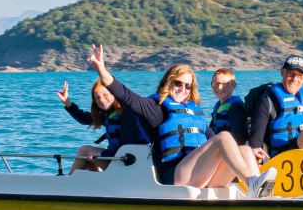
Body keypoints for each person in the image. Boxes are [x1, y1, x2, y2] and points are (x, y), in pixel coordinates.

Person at [86, 44, 276, 196]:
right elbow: (127, 96)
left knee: (242, 148)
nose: (183, 89)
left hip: (202, 174)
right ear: (169, 82)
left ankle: (258, 193)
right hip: (176, 174)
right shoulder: (155, 108)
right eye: (178, 84)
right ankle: (252, 183)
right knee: (225, 137)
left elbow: (212, 141)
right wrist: (102, 71)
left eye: (188, 86)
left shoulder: (194, 110)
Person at [57, 78, 145, 174]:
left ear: (114, 93)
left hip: (132, 163)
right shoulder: (108, 114)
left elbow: (126, 146)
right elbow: (84, 118)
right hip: (119, 158)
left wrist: (102, 153)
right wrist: (67, 103)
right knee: (84, 151)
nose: (102, 100)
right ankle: (93, 184)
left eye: (105, 94)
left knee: (89, 153)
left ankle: (68, 183)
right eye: (97, 97)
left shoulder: (128, 114)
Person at [207, 68, 250, 148]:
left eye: (224, 84)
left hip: (231, 149)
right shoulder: (218, 106)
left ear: (233, 85)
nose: (219, 87)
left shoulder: (235, 107)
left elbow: (240, 137)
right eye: (216, 83)